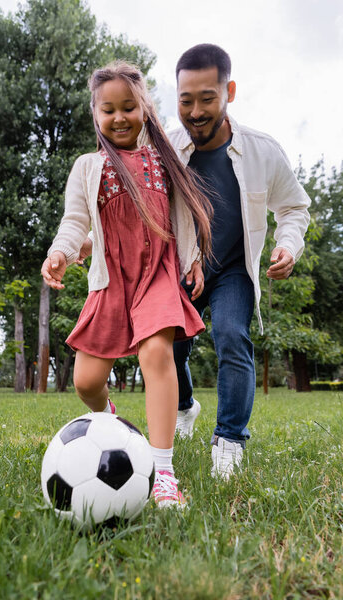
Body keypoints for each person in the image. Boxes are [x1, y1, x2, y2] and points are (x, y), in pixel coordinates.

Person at [41, 61, 213, 508]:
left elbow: (184, 219)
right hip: (110, 280)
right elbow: (75, 221)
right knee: (86, 381)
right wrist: (60, 251)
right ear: (95, 115)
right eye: (108, 110)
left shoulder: (164, 162)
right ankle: (108, 421)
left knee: (157, 353)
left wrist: (192, 260)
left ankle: (164, 475)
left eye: (128, 107)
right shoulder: (87, 166)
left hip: (156, 274)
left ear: (145, 109)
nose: (119, 117)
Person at [170, 44, 311, 479]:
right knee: (170, 347)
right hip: (183, 266)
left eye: (207, 98)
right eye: (185, 100)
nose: (195, 111)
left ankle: (229, 442)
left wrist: (289, 245)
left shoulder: (263, 151)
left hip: (233, 269)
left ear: (228, 91)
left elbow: (294, 208)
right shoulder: (168, 148)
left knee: (232, 335)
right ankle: (183, 406)